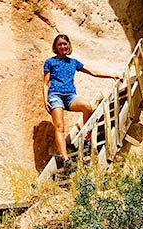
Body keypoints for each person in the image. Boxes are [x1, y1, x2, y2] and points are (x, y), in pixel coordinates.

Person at [43, 33, 120, 167]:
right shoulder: (50, 62)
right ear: (55, 46)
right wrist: (45, 100)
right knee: (59, 126)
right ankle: (65, 157)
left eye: (65, 44)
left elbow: (93, 72)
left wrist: (111, 75)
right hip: (55, 95)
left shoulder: (73, 62)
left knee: (87, 107)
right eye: (60, 44)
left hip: (70, 96)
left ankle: (87, 137)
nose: (63, 46)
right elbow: (45, 83)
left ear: (68, 46)